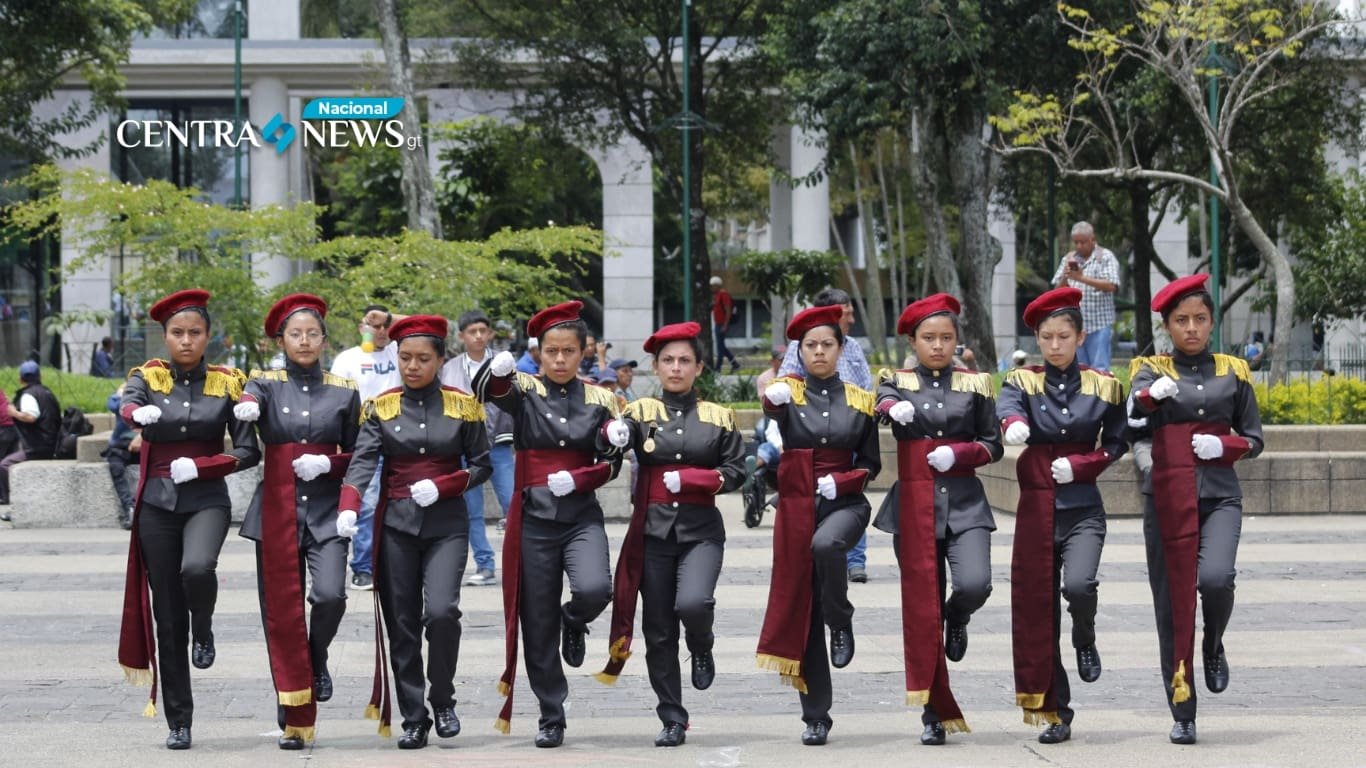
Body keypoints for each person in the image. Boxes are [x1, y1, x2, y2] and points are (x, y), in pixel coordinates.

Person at [474, 300, 627, 748]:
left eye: (569, 352)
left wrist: (587, 471)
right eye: (551, 351)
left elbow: (613, 461)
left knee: (596, 589)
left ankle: (574, 620)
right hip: (533, 518)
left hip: (580, 513)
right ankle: (551, 713)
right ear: (539, 353)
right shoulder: (523, 389)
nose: (559, 360)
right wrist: (496, 368)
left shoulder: (602, 397)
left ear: (584, 353)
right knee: (536, 620)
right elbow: (486, 388)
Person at [335, 314, 491, 749]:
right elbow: (363, 460)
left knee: (441, 613)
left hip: (446, 525)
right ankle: (413, 715)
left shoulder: (462, 403)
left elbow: (482, 466)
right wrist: (349, 506)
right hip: (396, 526)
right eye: (405, 358)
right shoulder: (381, 406)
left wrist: (444, 484)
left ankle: (442, 698)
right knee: (401, 622)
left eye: (424, 358)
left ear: (442, 359)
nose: (413, 366)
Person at [116, 289, 260, 750]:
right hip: (157, 504)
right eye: (177, 333)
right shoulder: (147, 377)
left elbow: (247, 450)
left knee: (197, 568)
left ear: (208, 337)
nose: (185, 341)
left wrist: (205, 465)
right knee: (167, 616)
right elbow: (126, 404)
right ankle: (180, 720)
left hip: (205, 497)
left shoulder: (229, 382)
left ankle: (206, 624)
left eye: (194, 333)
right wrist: (137, 412)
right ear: (164, 337)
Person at [594, 321, 747, 747]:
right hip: (653, 534)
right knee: (658, 629)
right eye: (667, 361)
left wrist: (697, 480)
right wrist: (610, 434)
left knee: (694, 603)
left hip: (701, 531)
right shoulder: (640, 412)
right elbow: (607, 449)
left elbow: (737, 471)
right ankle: (672, 717)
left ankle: (701, 642)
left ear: (699, 367)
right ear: (656, 368)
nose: (676, 368)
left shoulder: (719, 416)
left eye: (684, 361)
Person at [1129, 273, 1264, 745]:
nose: (1191, 328)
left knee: (1215, 580)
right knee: (1173, 606)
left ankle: (1213, 643)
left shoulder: (1233, 370)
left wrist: (1223, 446)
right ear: (1167, 325)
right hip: (1167, 497)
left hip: (1220, 493)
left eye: (1200, 319)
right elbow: (1133, 419)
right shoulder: (1149, 369)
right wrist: (1150, 397)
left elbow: (1254, 439)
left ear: (1212, 323)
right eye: (1181, 320)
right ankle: (1182, 707)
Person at [997, 287, 1127, 744]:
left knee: (1079, 586)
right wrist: (1012, 425)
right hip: (1036, 509)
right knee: (1038, 611)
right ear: (1037, 338)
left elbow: (1117, 441)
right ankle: (1056, 711)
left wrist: (1084, 464)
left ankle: (1085, 634)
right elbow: (1008, 409)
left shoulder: (1104, 384)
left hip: (1082, 507)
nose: (1054, 346)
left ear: (1080, 335)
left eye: (1064, 336)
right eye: (1046, 337)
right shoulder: (1021, 381)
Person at [873, 293, 1002, 746]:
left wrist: (961, 452)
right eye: (929, 338)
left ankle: (958, 616)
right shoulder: (897, 379)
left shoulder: (976, 384)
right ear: (912, 340)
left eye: (947, 338)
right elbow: (881, 400)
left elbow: (993, 443)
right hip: (914, 509)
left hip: (965, 503)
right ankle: (931, 713)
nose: (939, 346)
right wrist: (893, 407)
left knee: (975, 584)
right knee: (922, 614)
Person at [233, 294, 362, 749]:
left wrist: (330, 466)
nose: (304, 341)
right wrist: (245, 409)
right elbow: (247, 407)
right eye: (295, 334)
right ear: (281, 340)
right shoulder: (264, 383)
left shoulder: (344, 390)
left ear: (324, 340)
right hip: (277, 511)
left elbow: (358, 455)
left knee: (330, 595)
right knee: (282, 615)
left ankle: (316, 655)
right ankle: (291, 716)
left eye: (312, 333)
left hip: (327, 510)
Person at [756, 304, 881, 747]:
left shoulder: (860, 400)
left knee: (829, 547)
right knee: (803, 611)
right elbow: (770, 406)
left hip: (845, 503)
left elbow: (872, 465)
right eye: (811, 346)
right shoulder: (789, 394)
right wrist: (773, 397)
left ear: (841, 348)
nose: (820, 352)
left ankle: (840, 618)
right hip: (797, 507)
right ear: (800, 352)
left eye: (828, 344)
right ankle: (816, 716)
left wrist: (841, 481)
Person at [777, 288, 873, 583]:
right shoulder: (800, 346)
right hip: (812, 431)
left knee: (850, 493)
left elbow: (866, 385)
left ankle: (855, 559)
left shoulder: (852, 347)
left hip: (850, 428)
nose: (851, 317)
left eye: (828, 344)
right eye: (846, 312)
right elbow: (783, 387)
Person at [440, 309, 515, 587]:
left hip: (499, 444)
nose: (479, 336)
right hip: (465, 448)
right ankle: (485, 564)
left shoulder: (504, 363)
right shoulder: (449, 368)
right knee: (471, 510)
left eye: (484, 331)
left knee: (514, 504)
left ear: (491, 333)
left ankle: (521, 561)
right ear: (462, 336)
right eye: (473, 332)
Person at [330, 305, 401, 591]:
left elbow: (436, 325)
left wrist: (389, 320)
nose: (380, 331)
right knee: (367, 503)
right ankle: (363, 566)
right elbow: (335, 400)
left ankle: (389, 563)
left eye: (385, 325)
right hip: (363, 440)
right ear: (361, 328)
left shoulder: (400, 352)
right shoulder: (348, 359)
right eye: (373, 325)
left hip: (399, 437)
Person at [1051, 221, 1120, 371]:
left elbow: (1111, 285)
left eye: (1083, 242)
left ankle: (1100, 395)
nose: (1079, 246)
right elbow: (1056, 292)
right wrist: (1065, 276)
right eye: (1076, 242)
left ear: (1092, 240)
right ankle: (1081, 395)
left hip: (1099, 325)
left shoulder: (1105, 257)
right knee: (1079, 369)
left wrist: (1081, 278)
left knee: (1100, 369)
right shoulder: (1069, 259)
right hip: (1075, 326)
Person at [0, 360, 62, 521]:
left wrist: (14, 412)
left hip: (38, 446)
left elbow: (30, 416)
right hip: (52, 443)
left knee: (5, 465)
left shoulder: (28, 395)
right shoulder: (46, 392)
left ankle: (16, 507)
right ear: (40, 376)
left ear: (21, 379)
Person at [104, 388, 139, 530]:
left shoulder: (152, 398)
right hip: (121, 447)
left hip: (147, 444)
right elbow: (112, 405)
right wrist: (120, 394)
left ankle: (136, 507)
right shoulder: (123, 401)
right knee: (116, 468)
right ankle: (130, 508)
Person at [710, 276, 740, 372]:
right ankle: (735, 364)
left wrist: (725, 325)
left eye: (712, 286)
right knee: (721, 346)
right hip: (718, 324)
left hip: (722, 324)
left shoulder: (724, 294)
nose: (711, 288)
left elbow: (728, 310)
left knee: (720, 347)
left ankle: (718, 368)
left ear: (717, 285)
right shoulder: (717, 295)